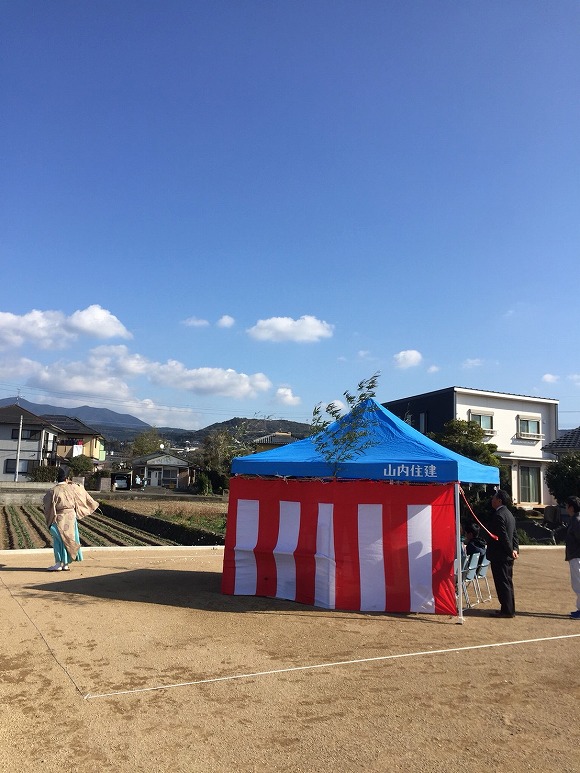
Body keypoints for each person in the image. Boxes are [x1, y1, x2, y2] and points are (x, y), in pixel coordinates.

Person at [43, 467, 99, 572]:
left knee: (59, 541)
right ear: (67, 479)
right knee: (69, 539)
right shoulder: (73, 488)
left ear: (57, 479)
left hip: (58, 517)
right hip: (71, 517)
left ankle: (59, 563)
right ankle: (65, 564)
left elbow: (47, 504)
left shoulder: (52, 491)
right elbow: (82, 490)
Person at [485, 489, 518, 618]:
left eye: (494, 498)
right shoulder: (509, 514)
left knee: (503, 583)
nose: (492, 501)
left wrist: (511, 551)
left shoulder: (499, 515)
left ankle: (507, 610)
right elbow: (514, 535)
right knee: (507, 582)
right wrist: (515, 549)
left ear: (499, 500)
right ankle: (507, 607)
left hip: (501, 555)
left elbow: (503, 536)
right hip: (507, 555)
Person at [555, 496, 580, 620]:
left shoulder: (577, 520)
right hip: (575, 556)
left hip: (577, 557)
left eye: (567, 506)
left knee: (578, 584)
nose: (566, 508)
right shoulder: (575, 519)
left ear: (571, 507)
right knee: (577, 584)